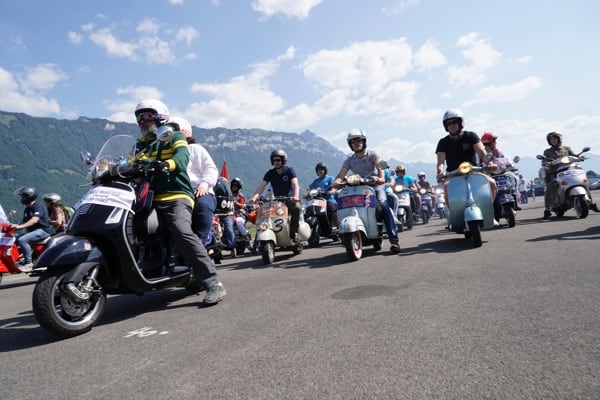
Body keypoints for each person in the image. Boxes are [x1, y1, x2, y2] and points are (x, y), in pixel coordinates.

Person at [134, 99, 225, 304]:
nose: (142, 120)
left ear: (160, 116)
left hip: (176, 195)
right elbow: (133, 161)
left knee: (180, 229)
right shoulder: (141, 144)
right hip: (148, 196)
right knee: (130, 225)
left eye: (147, 115)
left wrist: (166, 164)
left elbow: (182, 158)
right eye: (139, 116)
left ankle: (212, 282)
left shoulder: (175, 136)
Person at [332, 129, 400, 254]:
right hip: (357, 188)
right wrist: (336, 182)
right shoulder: (349, 160)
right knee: (343, 204)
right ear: (350, 144)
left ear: (364, 141)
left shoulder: (372, 153)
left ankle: (393, 240)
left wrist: (381, 178)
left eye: (358, 140)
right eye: (353, 142)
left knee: (383, 205)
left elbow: (380, 165)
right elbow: (341, 174)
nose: (356, 143)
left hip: (374, 186)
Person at [167, 116, 219, 247]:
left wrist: (204, 185)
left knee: (203, 204)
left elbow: (211, 169)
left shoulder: (194, 148)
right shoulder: (166, 152)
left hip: (198, 190)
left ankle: (203, 240)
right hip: (177, 193)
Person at [435, 109, 498, 204]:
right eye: (448, 123)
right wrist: (440, 172)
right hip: (453, 174)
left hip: (474, 171)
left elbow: (482, 152)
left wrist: (490, 163)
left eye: (454, 122)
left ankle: (489, 209)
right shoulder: (443, 142)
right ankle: (452, 212)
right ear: (445, 126)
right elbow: (440, 162)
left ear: (460, 122)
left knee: (492, 183)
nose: (452, 125)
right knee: (446, 187)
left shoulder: (471, 136)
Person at [541, 131, 599, 219]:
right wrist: (547, 163)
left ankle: (591, 203)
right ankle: (547, 210)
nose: (553, 140)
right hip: (555, 172)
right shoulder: (547, 151)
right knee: (550, 186)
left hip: (569, 170)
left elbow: (574, 155)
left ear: (559, 139)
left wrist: (580, 157)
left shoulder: (566, 148)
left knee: (583, 182)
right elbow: (544, 161)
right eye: (551, 139)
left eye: (555, 138)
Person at [249, 149, 302, 244]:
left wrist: (296, 196)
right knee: (264, 213)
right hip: (277, 201)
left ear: (283, 160)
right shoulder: (270, 173)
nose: (276, 162)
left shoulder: (289, 170)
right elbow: (261, 186)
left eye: (278, 160)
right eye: (274, 160)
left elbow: (295, 184)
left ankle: (293, 235)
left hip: (289, 199)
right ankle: (262, 238)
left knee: (296, 208)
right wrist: (254, 197)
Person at [10, 186, 51, 272]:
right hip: (33, 232)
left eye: (23, 197)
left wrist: (20, 227)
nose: (22, 199)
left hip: (42, 231)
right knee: (14, 239)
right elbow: (24, 223)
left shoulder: (37, 207)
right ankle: (20, 259)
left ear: (30, 197)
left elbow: (34, 220)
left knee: (22, 239)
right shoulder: (27, 209)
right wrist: (13, 228)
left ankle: (28, 262)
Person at [309, 162, 339, 230]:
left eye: (322, 169)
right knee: (310, 210)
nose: (320, 171)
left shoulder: (330, 178)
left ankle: (338, 226)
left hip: (329, 199)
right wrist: (308, 194)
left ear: (325, 170)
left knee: (332, 208)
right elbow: (311, 189)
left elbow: (334, 186)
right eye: (318, 170)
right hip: (318, 201)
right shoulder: (315, 181)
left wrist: (331, 191)